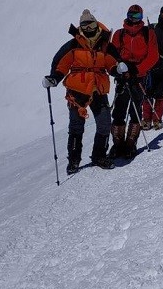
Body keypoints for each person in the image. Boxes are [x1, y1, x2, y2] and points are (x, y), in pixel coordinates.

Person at [43, 10, 121, 173]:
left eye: (90, 24)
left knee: (104, 124)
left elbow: (112, 63)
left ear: (95, 24)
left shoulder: (104, 44)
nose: (88, 28)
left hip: (98, 89)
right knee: (76, 127)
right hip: (77, 92)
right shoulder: (74, 45)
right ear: (80, 27)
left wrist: (118, 70)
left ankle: (99, 156)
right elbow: (61, 65)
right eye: (84, 25)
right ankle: (74, 161)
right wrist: (54, 78)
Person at [110, 4, 159, 159]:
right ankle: (118, 145)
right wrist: (119, 69)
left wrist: (137, 70)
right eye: (131, 15)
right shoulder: (119, 34)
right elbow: (112, 55)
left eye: (137, 16)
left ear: (142, 17)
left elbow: (153, 56)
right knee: (119, 110)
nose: (133, 19)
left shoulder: (148, 33)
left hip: (139, 77)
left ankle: (131, 144)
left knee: (135, 110)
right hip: (123, 77)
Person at [141, 5, 163, 129]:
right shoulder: (152, 28)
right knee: (148, 92)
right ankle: (146, 119)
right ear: (161, 15)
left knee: (161, 92)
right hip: (152, 64)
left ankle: (157, 119)